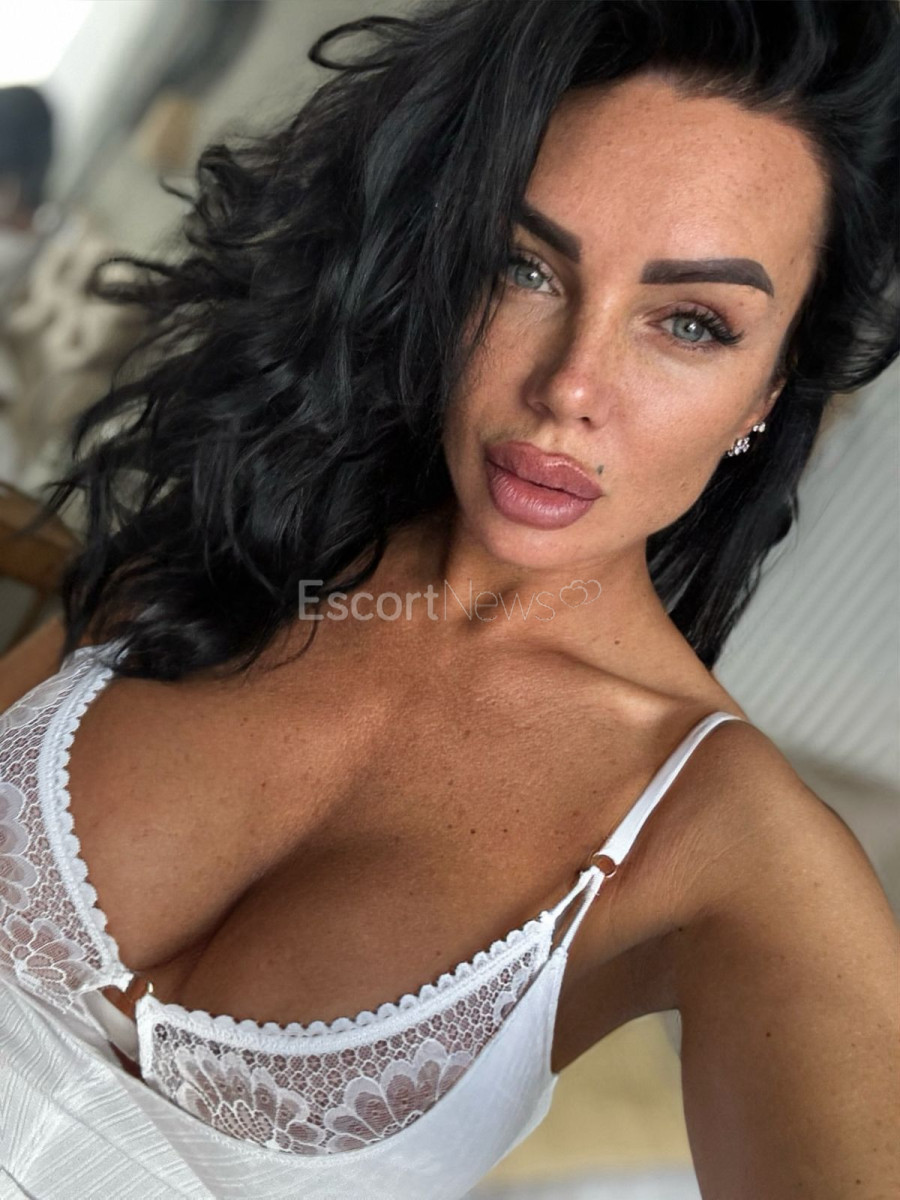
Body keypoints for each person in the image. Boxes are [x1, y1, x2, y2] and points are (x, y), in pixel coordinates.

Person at [1, 1, 898, 1196]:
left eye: (690, 323)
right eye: (524, 266)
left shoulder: (727, 844)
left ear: (767, 396)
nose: (569, 386)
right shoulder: (228, 542)